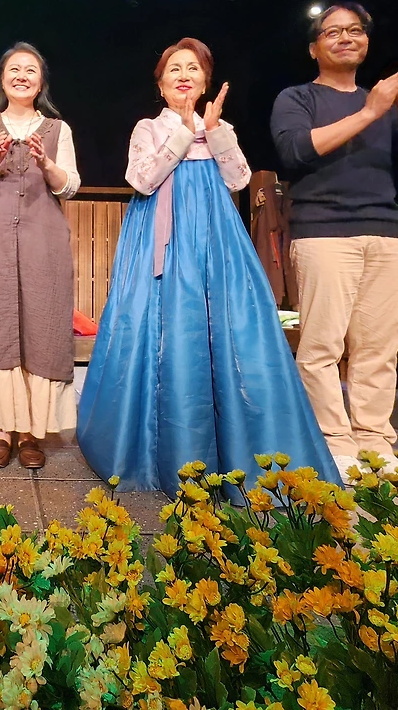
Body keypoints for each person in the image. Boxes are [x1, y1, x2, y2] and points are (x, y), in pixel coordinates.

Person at [77, 38, 340, 494]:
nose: (184, 75)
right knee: (163, 328)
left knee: (225, 328)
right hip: (162, 244)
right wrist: (183, 133)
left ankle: (235, 447)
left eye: (193, 68)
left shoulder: (220, 127)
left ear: (205, 82)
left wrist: (215, 132)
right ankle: (162, 450)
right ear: (161, 85)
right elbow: (141, 179)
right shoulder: (149, 128)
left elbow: (239, 179)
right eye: (174, 69)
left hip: (214, 243)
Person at [270, 3, 398, 479]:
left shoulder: (382, 101)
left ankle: (374, 440)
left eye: (355, 30)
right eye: (333, 32)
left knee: (378, 347)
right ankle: (333, 442)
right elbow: (296, 150)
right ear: (314, 47)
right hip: (323, 230)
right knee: (322, 346)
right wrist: (371, 111)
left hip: (384, 229)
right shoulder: (298, 97)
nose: (346, 38)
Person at [0, 43, 81, 469]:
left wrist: (47, 165)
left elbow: (70, 185)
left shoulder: (57, 129)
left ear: (41, 82)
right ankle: (0, 430)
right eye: (14, 69)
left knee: (40, 323)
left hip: (44, 236)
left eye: (31, 70)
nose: (22, 75)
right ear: (2, 78)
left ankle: (30, 433)